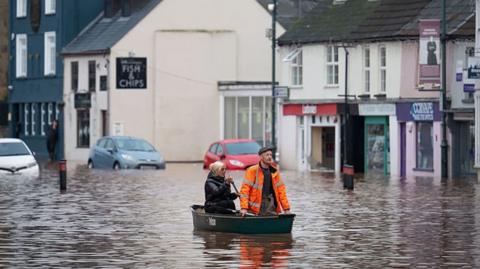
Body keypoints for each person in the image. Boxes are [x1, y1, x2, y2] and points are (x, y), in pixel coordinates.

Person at [239, 146, 291, 216]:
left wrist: (286, 209)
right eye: (267, 155)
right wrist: (244, 208)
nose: (269, 157)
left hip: (270, 205)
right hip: (254, 208)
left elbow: (281, 191)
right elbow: (245, 190)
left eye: (270, 155)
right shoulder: (252, 170)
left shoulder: (274, 172)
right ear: (261, 157)